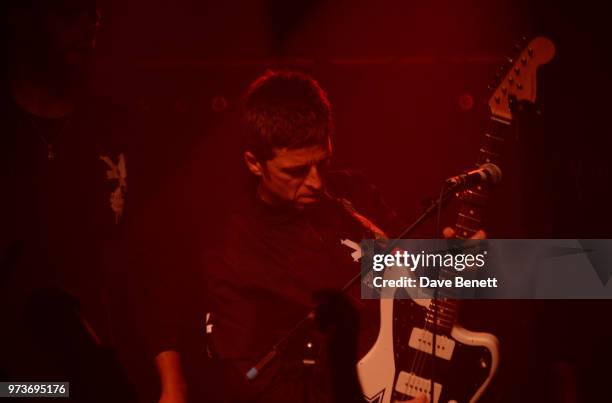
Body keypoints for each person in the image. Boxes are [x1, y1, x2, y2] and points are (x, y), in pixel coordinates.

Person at [155, 70, 438, 403]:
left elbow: (423, 274)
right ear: (253, 163)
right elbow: (264, 389)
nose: (317, 182)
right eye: (296, 171)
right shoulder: (233, 252)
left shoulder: (354, 194)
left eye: (323, 162)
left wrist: (468, 258)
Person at [0, 1, 138, 400]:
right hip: (20, 377)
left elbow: (152, 258)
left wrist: (170, 376)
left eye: (94, 13)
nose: (88, 26)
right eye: (69, 11)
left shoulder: (117, 125)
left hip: (104, 369)